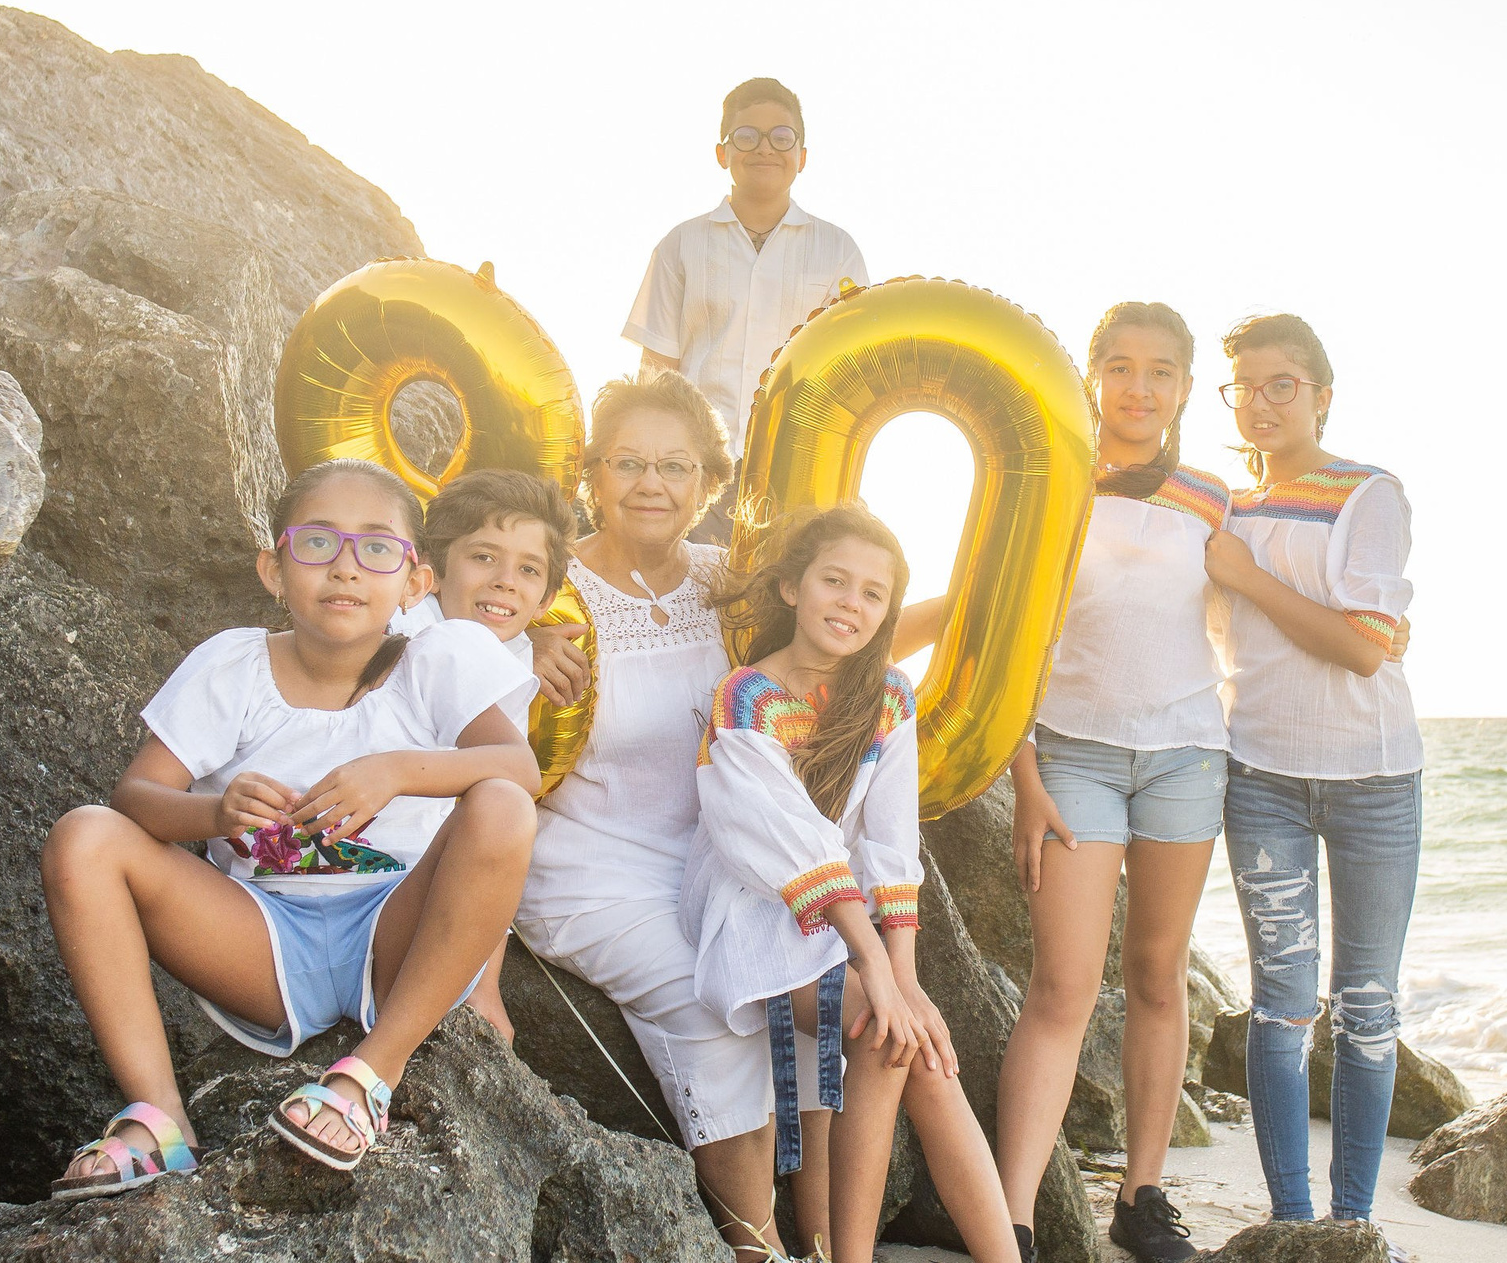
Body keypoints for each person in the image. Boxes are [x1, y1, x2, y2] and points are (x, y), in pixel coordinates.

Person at [38, 458, 539, 1195]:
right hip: (261, 937)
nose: (345, 568)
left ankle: (371, 1074)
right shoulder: (233, 664)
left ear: (415, 582)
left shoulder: (441, 657)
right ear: (274, 567)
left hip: (397, 935)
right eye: (317, 544)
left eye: (376, 547)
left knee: (501, 805)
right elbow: (136, 795)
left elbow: (518, 767)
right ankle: (159, 1120)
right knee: (83, 835)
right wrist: (213, 812)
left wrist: (398, 769)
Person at [515, 369, 823, 1261]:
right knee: (712, 1002)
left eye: (676, 466)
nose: (651, 483)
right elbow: (436, 628)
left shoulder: (730, 581)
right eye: (629, 462)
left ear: (709, 484)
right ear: (592, 475)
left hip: (713, 852)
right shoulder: (550, 582)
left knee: (815, 993)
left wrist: (970, 601)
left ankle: (820, 1237)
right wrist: (520, 642)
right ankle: (755, 1247)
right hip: (584, 856)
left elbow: (846, 628)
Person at [684, 504, 1022, 1263]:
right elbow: (791, 848)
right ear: (791, 587)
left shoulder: (890, 696)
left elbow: (890, 843)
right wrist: (878, 973)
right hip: (759, 915)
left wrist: (904, 974)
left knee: (920, 1047)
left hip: (846, 927)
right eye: (834, 580)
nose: (851, 602)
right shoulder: (746, 698)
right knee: (881, 1026)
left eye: (874, 593)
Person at [991, 303, 1233, 1263]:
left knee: (1158, 973)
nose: (1140, 387)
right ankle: (1008, 1215)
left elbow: (1259, 599)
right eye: (1121, 367)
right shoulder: (1049, 486)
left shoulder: (1213, 497)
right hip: (1073, 756)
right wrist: (1023, 773)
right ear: (1093, 377)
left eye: (1161, 370)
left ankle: (1141, 1195)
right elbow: (1008, 634)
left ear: (1182, 386)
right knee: (1062, 984)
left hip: (1186, 754)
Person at [1202, 315, 1420, 1252]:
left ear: (1322, 394)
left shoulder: (1368, 493)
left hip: (1375, 780)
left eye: (1281, 383)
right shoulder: (1218, 509)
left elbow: (1366, 649)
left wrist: (1248, 579)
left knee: (1367, 1003)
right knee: (1280, 1003)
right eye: (1244, 386)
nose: (1260, 401)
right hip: (1259, 775)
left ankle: (1356, 1221)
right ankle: (1294, 1224)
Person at [623, 77, 868, 543]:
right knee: (684, 592)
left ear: (802, 156)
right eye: (747, 136)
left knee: (778, 600)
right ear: (723, 153)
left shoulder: (837, 251)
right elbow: (655, 370)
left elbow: (851, 375)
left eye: (782, 137)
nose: (765, 149)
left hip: (794, 466)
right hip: (692, 466)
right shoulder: (682, 244)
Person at [397, 467, 578, 1041]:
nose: (505, 582)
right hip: (376, 883)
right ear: (432, 567)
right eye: (483, 557)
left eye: (527, 570)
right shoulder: (416, 632)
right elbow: (501, 794)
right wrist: (482, 985)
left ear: (546, 598)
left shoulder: (507, 647)